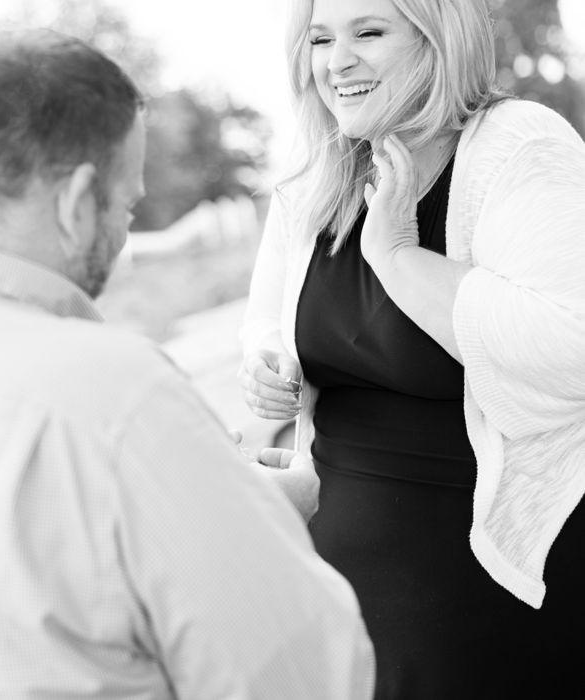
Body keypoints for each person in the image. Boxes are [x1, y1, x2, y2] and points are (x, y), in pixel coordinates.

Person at [0, 30, 376, 699]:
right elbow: (308, 674)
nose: (123, 233)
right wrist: (255, 520)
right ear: (78, 202)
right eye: (127, 205)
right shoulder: (117, 401)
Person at [239, 0, 585, 697]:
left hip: (477, 598)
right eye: (320, 40)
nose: (338, 62)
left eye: (369, 32)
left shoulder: (520, 143)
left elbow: (570, 351)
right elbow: (267, 324)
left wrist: (398, 256)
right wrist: (264, 366)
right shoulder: (314, 175)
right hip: (336, 583)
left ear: (437, 41)